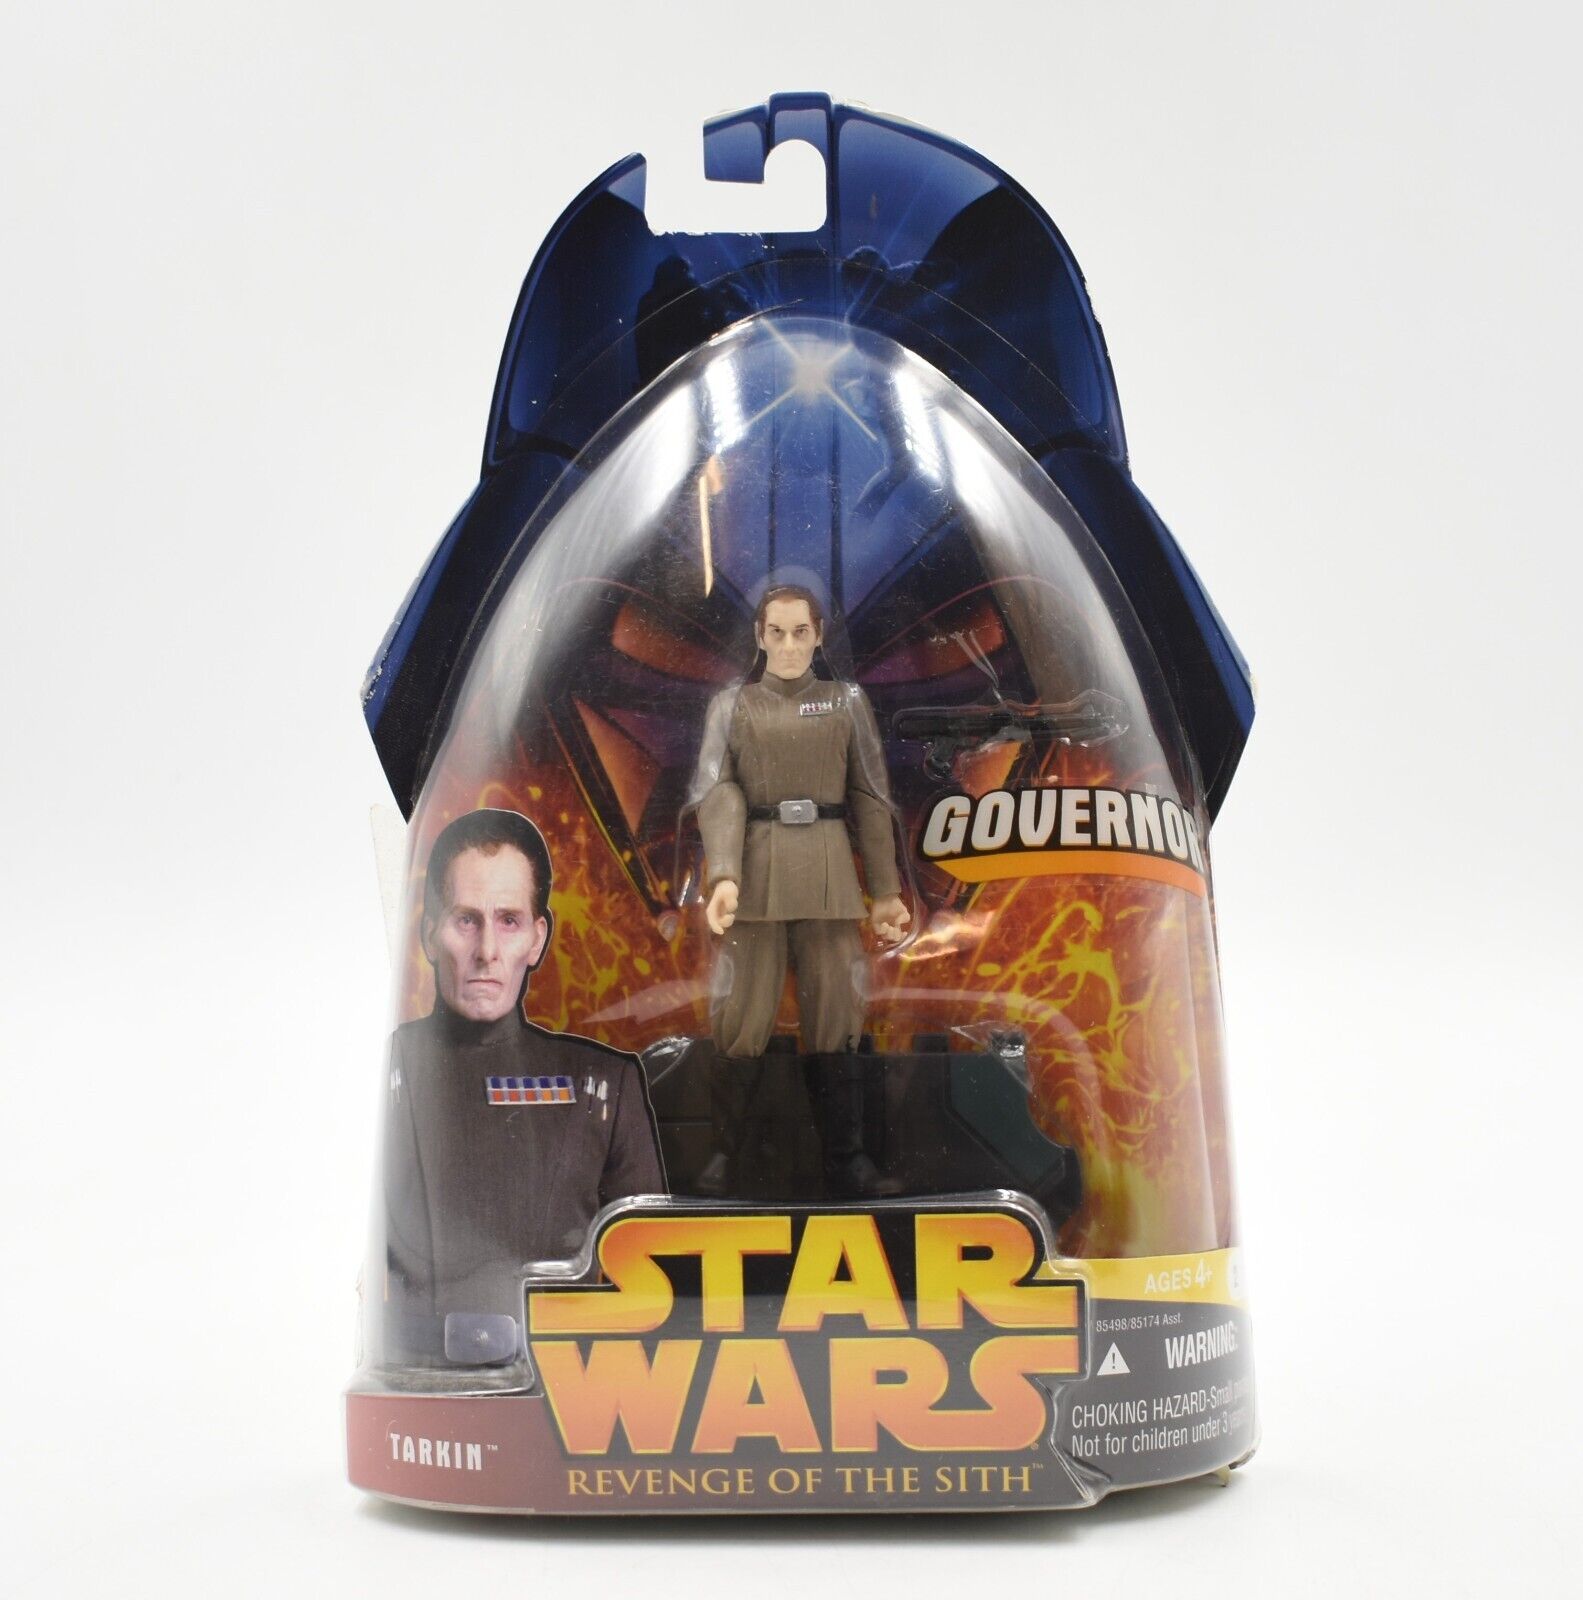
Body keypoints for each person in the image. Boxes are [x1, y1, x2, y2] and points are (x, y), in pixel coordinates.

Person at [380, 808, 664, 1367]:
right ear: (429, 933)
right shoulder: (380, 1071)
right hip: (417, 1378)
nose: (487, 950)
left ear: (537, 939)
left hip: (570, 1384)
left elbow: (653, 1285)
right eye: (466, 920)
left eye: (508, 921)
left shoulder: (605, 1085)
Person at [692, 584, 909, 1195]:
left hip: (828, 872)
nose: (788, 645)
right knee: (741, 1015)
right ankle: (726, 1156)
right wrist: (724, 874)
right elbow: (718, 792)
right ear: (759, 637)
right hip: (755, 875)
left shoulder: (846, 703)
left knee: (838, 1013)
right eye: (776, 632)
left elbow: (870, 796)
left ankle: (848, 1160)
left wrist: (886, 891)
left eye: (800, 632)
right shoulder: (732, 706)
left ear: (818, 636)